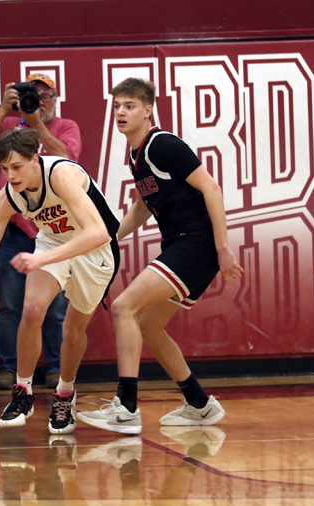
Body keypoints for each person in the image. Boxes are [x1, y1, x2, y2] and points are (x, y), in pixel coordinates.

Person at [0, 128, 120, 434]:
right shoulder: (8, 197)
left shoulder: (60, 175)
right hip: (54, 242)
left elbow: (98, 233)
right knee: (31, 309)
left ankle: (64, 394)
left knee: (72, 331)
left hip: (94, 249)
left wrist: (41, 259)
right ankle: (23, 392)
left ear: (35, 160)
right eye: (4, 168)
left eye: (16, 167)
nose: (11, 175)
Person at [78, 78, 243, 434]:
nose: (121, 112)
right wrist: (108, 239)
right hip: (183, 246)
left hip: (196, 244)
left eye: (130, 106)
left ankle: (126, 407)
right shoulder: (135, 154)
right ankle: (199, 404)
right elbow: (142, 207)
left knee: (123, 308)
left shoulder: (163, 144)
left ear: (148, 110)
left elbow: (212, 188)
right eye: (117, 106)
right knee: (148, 326)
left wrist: (222, 248)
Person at [0, 73, 80, 390]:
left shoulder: (66, 126)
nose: (40, 102)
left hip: (55, 231)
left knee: (55, 308)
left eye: (46, 96)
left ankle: (55, 368)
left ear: (56, 100)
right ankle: (7, 369)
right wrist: (2, 110)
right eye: (33, 96)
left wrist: (36, 125)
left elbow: (67, 157)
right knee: (10, 305)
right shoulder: (10, 125)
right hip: (15, 232)